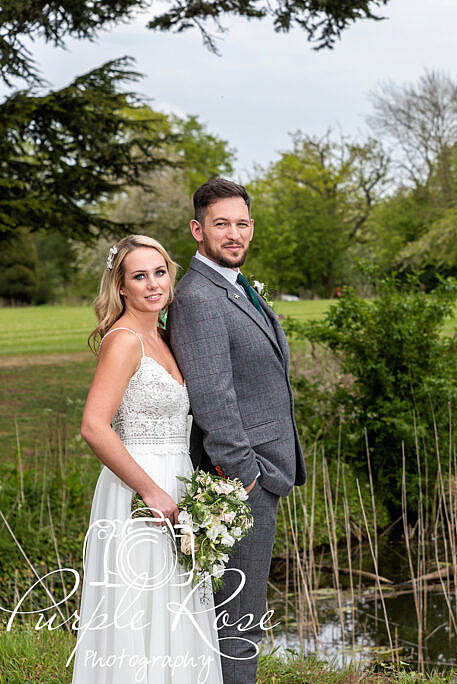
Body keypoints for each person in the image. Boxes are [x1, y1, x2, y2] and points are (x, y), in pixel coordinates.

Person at [167, 178, 306, 684]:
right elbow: (212, 400)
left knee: (240, 608)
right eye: (221, 223)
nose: (234, 233)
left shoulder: (233, 284)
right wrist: (245, 475)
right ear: (197, 229)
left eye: (241, 223)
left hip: (260, 472)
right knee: (238, 616)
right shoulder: (199, 298)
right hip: (242, 480)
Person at [73, 235, 222, 684]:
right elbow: (94, 426)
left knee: (174, 607)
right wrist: (151, 491)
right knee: (139, 610)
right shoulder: (123, 340)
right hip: (139, 492)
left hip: (178, 482)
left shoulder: (162, 335)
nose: (153, 284)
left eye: (160, 272)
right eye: (139, 276)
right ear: (121, 286)